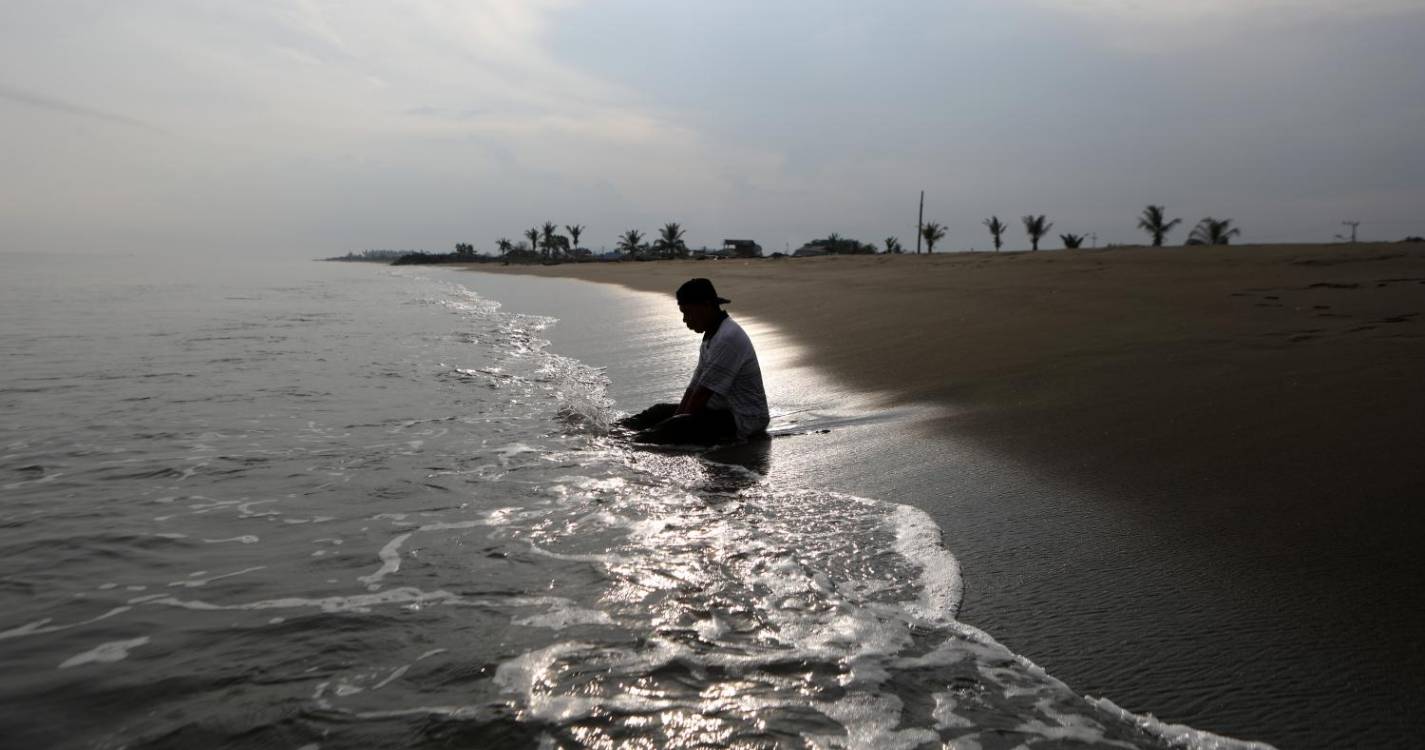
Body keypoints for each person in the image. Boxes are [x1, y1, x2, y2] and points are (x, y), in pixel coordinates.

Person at [620, 278, 769, 445]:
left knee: (669, 429)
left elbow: (702, 395)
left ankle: (625, 445)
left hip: (744, 418)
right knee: (657, 412)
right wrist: (675, 417)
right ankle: (614, 432)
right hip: (719, 411)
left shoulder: (727, 338)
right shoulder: (711, 336)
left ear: (706, 306)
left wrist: (675, 424)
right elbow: (693, 388)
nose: (685, 319)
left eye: (687, 313)